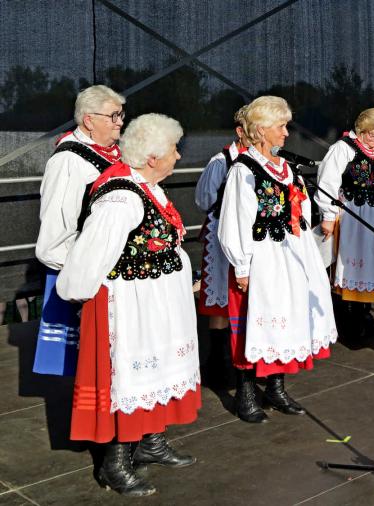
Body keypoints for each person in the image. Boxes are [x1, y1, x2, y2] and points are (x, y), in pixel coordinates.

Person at [57, 113, 199, 497]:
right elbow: (88, 258)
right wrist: (81, 298)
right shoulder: (121, 198)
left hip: (154, 303)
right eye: (174, 150)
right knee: (130, 379)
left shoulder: (146, 187)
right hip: (128, 307)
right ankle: (115, 464)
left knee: (158, 371)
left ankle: (151, 442)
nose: (178, 157)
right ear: (152, 157)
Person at [218, 96, 338, 423]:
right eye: (281, 126)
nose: (287, 133)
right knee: (252, 323)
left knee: (287, 317)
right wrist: (242, 266)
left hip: (290, 254)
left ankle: (275, 387)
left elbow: (300, 210)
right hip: (262, 257)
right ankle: (245, 393)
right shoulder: (244, 170)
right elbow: (235, 221)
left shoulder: (285, 167)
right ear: (261, 130)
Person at [33, 85, 125, 376]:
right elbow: (56, 228)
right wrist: (78, 278)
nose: (120, 122)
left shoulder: (114, 153)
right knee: (85, 363)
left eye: (121, 115)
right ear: (89, 120)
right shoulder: (69, 160)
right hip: (84, 271)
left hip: (111, 268)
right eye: (113, 116)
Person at [315, 108, 374, 339]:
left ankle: (365, 312)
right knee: (354, 263)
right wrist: (328, 216)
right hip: (354, 214)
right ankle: (350, 317)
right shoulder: (343, 148)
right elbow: (327, 183)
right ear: (361, 129)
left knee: (373, 263)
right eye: (373, 134)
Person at [195, 105, 248, 385]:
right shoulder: (221, 161)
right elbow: (204, 199)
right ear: (240, 131)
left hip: (251, 238)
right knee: (221, 297)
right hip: (221, 234)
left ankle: (242, 357)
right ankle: (219, 360)